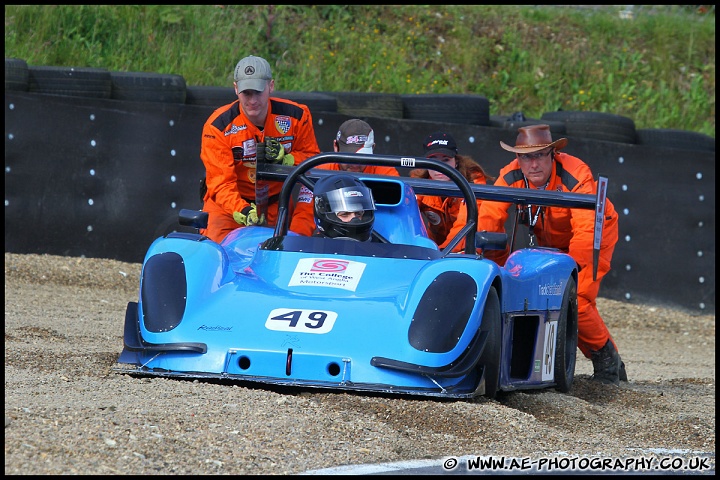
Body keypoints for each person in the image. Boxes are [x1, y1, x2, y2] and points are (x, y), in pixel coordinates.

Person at [476, 124, 626, 385]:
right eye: (526, 157)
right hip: (551, 239)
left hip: (594, 235)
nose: (533, 164)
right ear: (517, 158)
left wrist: (570, 273)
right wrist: (485, 265)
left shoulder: (576, 173)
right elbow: (488, 218)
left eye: (539, 155)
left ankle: (608, 362)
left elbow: (587, 228)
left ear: (552, 154)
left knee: (575, 297)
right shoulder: (510, 174)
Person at [199, 54, 319, 242]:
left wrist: (287, 160)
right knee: (216, 258)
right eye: (246, 93)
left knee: (282, 258)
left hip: (276, 204)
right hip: (228, 209)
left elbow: (313, 161)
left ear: (270, 86)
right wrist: (243, 210)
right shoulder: (218, 126)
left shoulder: (296, 116)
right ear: (236, 89)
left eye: (258, 92)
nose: (253, 100)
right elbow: (220, 183)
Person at [410, 131, 495, 249]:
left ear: (456, 162)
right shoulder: (418, 180)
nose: (440, 168)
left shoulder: (472, 180)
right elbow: (406, 215)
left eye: (445, 160)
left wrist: (441, 252)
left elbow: (465, 224)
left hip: (482, 253)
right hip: (437, 252)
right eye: (433, 161)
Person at [317, 119, 399, 176]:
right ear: (336, 147)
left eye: (361, 156)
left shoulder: (386, 173)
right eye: (349, 157)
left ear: (372, 149)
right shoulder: (319, 171)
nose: (355, 164)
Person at [312, 174, 377, 242]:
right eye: (345, 214)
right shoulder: (309, 249)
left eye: (358, 213)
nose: (354, 219)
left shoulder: (379, 248)